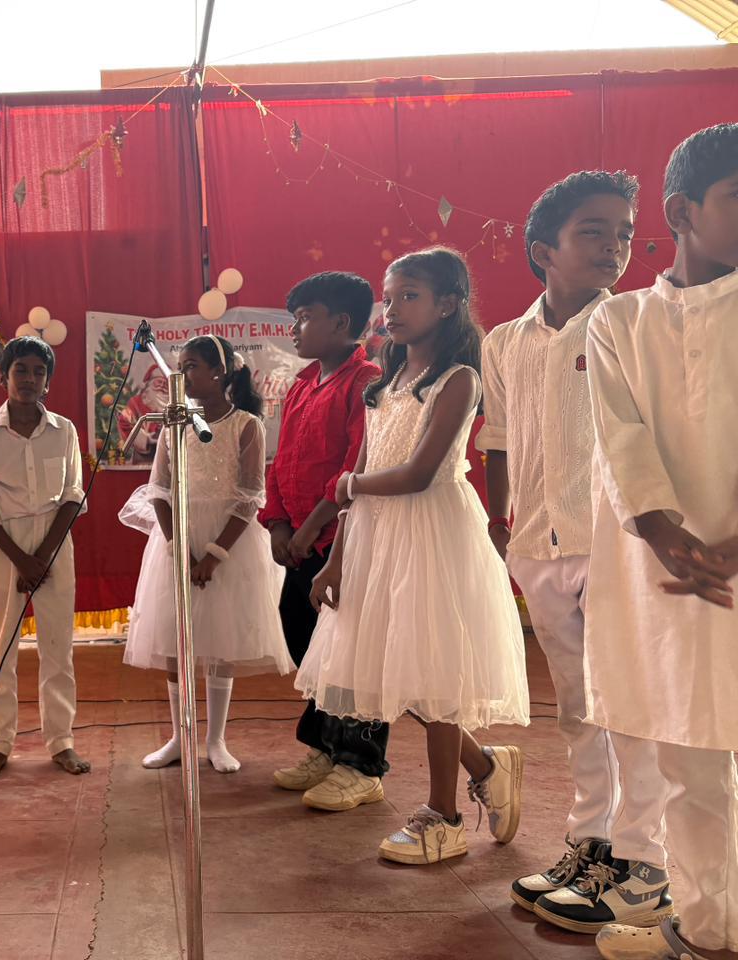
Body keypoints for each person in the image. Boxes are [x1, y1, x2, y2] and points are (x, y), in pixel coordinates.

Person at [478, 171, 672, 932]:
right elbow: (498, 437)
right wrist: (502, 525)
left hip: (616, 544)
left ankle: (644, 860)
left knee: (632, 706)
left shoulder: (634, 323)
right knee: (579, 709)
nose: (614, 246)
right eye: (593, 231)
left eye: (623, 233)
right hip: (538, 544)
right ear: (542, 250)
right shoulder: (505, 341)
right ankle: (590, 844)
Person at [297, 247, 529, 865]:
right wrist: (337, 558)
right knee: (398, 673)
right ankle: (487, 766)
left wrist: (349, 486)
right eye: (389, 296)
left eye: (409, 296)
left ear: (448, 304)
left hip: (430, 533)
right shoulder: (385, 385)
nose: (392, 308)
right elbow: (362, 477)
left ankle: (443, 816)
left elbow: (420, 473)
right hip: (378, 537)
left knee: (433, 674)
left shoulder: (458, 380)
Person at [584, 123, 738, 960]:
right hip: (669, 572)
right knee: (692, 753)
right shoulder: (620, 321)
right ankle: (711, 928)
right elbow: (620, 436)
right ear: (681, 212)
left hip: (724, 560)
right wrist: (662, 531)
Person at [121, 335, 294, 774]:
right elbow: (159, 491)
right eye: (180, 366)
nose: (182, 375)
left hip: (227, 544)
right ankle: (180, 738)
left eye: (192, 366)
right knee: (175, 641)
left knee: (221, 642)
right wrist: (178, 548)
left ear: (220, 372)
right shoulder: (174, 425)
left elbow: (250, 498)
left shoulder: (246, 425)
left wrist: (213, 555)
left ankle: (216, 740)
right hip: (177, 541)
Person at [264, 272, 393, 812]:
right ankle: (325, 746)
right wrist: (278, 525)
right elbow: (281, 460)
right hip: (299, 543)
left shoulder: (367, 382)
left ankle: (361, 765)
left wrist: (312, 527)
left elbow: (352, 468)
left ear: (341, 323)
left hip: (342, 544)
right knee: (307, 643)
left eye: (305, 317)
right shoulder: (302, 384)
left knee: (352, 654)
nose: (295, 329)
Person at [0, 336, 89, 779]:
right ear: (3, 377)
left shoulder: (65, 430)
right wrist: (22, 559)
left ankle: (61, 740)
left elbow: (73, 495)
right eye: (21, 370)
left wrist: (43, 556)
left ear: (48, 382)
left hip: (54, 543)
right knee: (2, 646)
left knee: (59, 647)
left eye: (39, 371)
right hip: (4, 546)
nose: (30, 379)